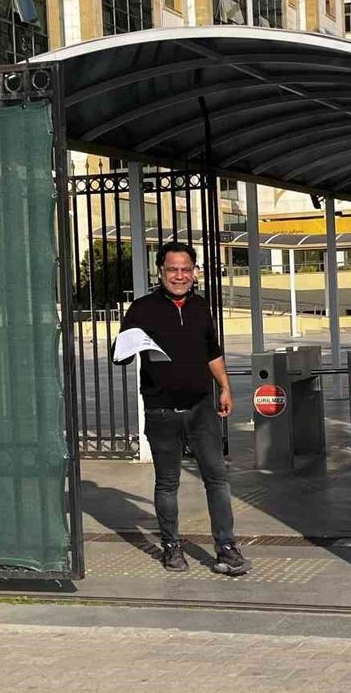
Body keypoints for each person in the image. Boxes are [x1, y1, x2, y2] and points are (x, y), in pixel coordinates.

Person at [114, 241, 250, 576]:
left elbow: (212, 352)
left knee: (217, 479)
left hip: (201, 408)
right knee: (167, 483)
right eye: (172, 269)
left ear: (194, 272)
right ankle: (172, 547)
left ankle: (226, 547)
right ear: (160, 271)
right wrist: (127, 346)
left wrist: (225, 387)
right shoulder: (142, 309)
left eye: (186, 269)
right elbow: (121, 354)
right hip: (161, 410)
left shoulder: (201, 307)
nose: (179, 276)